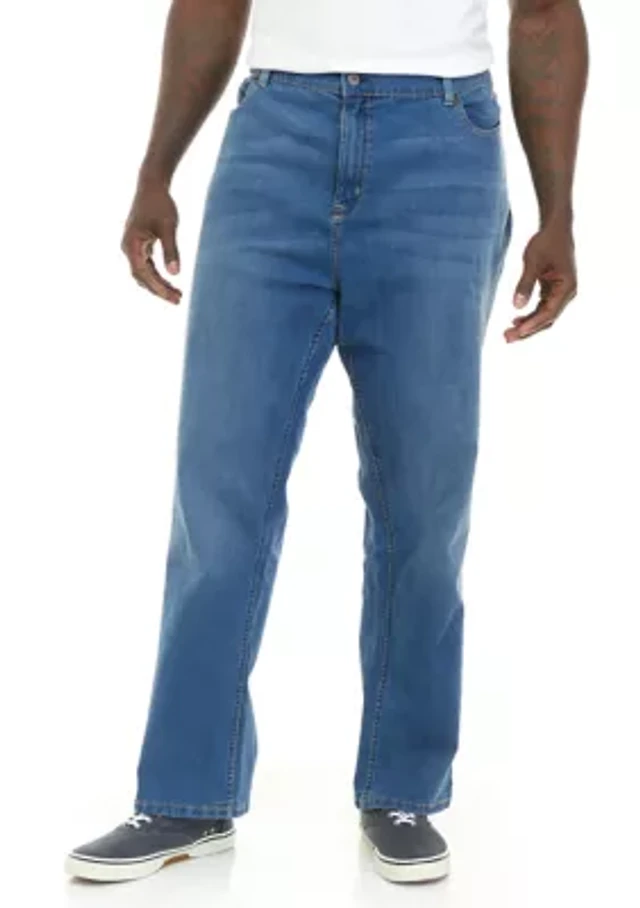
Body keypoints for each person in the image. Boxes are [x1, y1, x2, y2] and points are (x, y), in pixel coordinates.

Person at [65, 0, 587, 886]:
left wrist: (558, 210)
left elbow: (542, 15)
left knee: (424, 503)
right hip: (276, 135)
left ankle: (403, 789)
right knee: (219, 490)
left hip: (442, 145)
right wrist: (156, 169)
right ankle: (188, 793)